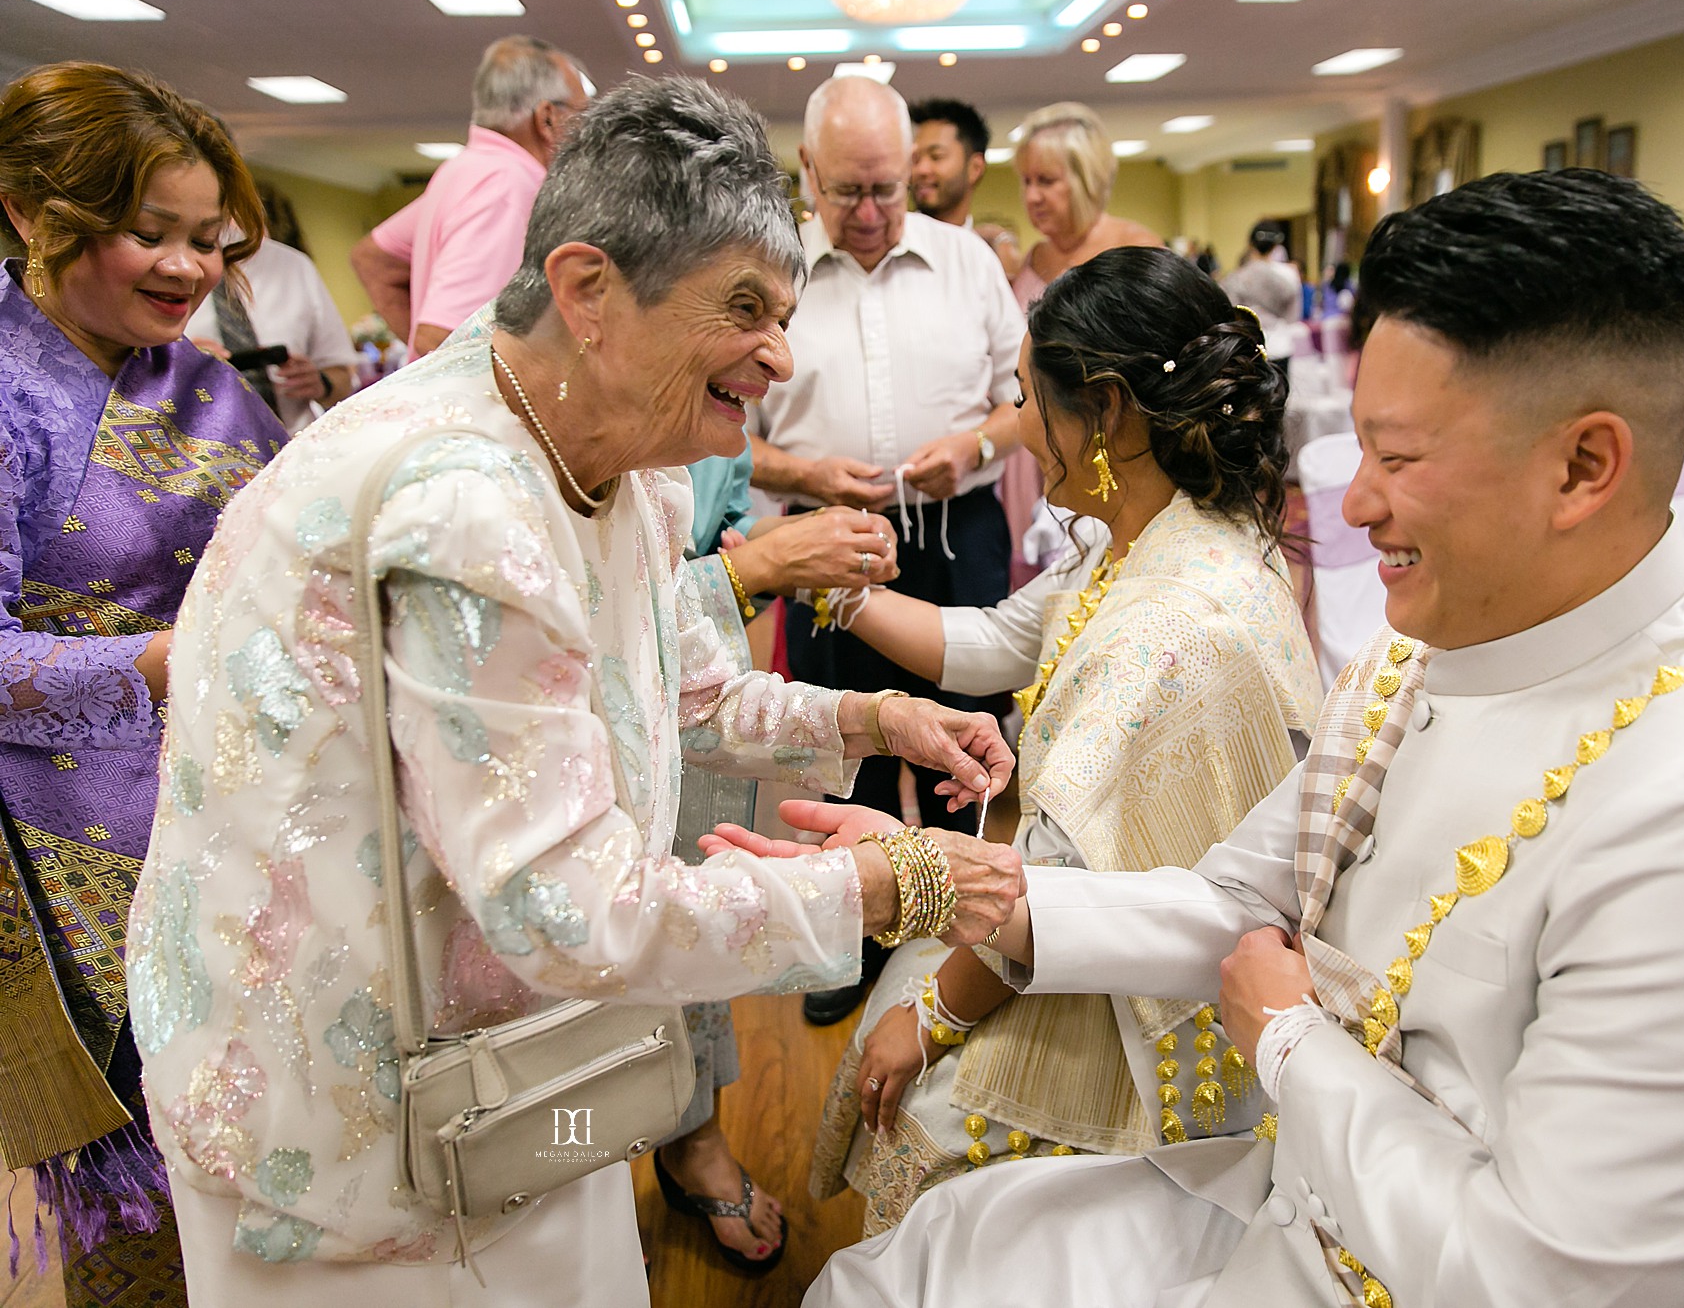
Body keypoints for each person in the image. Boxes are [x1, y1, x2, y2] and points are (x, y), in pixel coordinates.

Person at [791, 171, 1684, 1306]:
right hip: (1299, 1206)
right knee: (908, 1262)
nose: (1353, 500)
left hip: (1400, 1268)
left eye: (1395, 456)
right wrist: (953, 883)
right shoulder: (1416, 660)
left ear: (1584, 464)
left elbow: (1544, 1275)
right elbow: (1234, 901)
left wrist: (1286, 1039)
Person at [130, 75, 1021, 1308]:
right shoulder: (465, 503)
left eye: (787, 308)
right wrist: (894, 881)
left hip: (519, 1060)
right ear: (589, 291)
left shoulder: (618, 450)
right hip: (355, 1107)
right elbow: (565, 908)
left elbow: (688, 688)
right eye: (747, 308)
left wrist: (874, 717)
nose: (780, 353)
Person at [797, 247, 1322, 1232]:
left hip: (1131, 981)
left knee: (920, 1112)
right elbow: (996, 641)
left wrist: (933, 1018)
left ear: (1109, 408)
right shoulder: (1155, 532)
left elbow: (1049, 866)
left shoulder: (1167, 622)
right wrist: (836, 587)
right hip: (1067, 906)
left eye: (1029, 399)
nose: (1021, 429)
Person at [0, 61, 291, 1307]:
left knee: (267, 1159)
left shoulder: (204, 375)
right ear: (27, 210)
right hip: (71, 857)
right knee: (147, 1202)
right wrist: (179, 661)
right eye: (148, 234)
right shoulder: (12, 394)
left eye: (209, 241)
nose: (187, 269)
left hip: (239, 818)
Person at [749, 75, 1025, 1026]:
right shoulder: (770, 272)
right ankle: (848, 938)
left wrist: (976, 447)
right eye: (846, 193)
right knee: (840, 744)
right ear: (808, 173)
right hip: (820, 539)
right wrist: (805, 472)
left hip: (958, 532)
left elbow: (1021, 401)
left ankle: (955, 940)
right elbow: (723, 434)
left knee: (963, 743)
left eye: (889, 189)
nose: (869, 214)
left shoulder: (967, 262)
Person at [660, 447, 902, 1270]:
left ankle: (690, 1134)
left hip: (691, 697)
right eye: (747, 311)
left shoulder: (710, 410)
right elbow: (610, 630)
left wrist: (779, 549)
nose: (779, 361)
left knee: (690, 889)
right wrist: (760, 563)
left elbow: (705, 540)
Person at [1004, 103, 1165, 587]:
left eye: (1046, 181)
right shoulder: (1030, 259)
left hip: (1105, 443)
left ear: (1086, 178)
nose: (1032, 196)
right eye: (1026, 181)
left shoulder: (1134, 249)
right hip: (1031, 442)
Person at [348, 35, 588, 355]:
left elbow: (373, 259)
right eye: (582, 116)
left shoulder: (465, 169)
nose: (586, 133)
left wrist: (420, 365)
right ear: (547, 118)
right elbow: (440, 338)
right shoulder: (507, 184)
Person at [187, 180, 358, 432]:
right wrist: (178, 361)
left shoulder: (293, 266)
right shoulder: (153, 271)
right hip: (195, 452)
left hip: (295, 448)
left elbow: (344, 379)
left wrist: (320, 382)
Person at [908, 97, 1021, 278]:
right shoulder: (893, 248)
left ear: (974, 168)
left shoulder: (988, 260)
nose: (920, 170)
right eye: (915, 159)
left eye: (936, 156)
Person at [1221, 221, 1305, 376]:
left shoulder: (1235, 278)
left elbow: (1231, 315)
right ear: (1275, 246)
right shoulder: (1289, 274)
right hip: (1281, 344)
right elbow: (1294, 316)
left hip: (1250, 347)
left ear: (1250, 244)